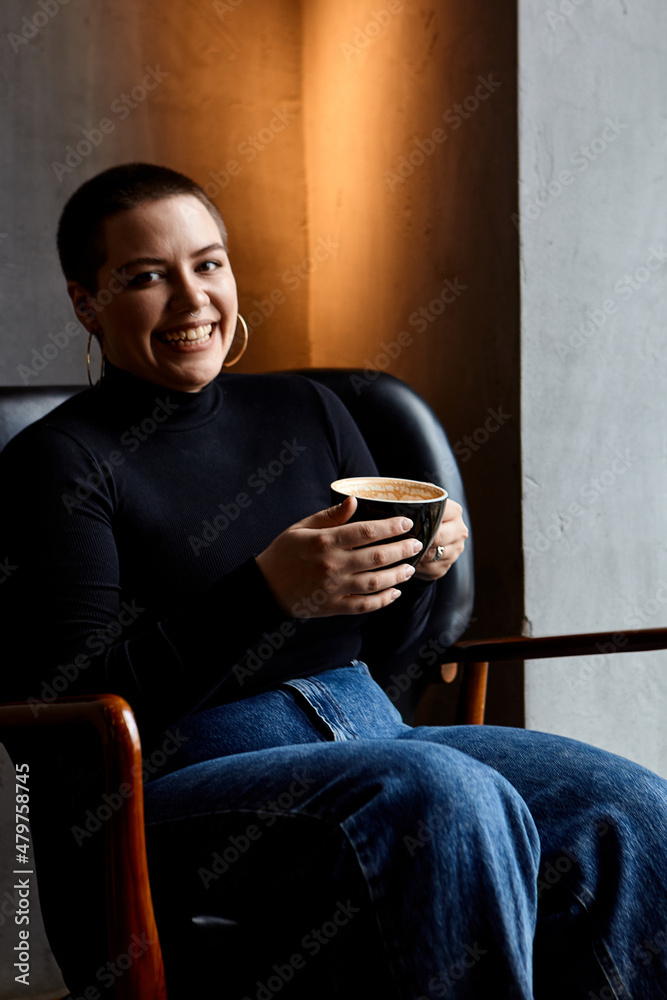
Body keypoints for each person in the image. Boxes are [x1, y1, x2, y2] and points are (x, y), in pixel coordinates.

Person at [1, 162, 666, 1000]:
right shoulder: (56, 464)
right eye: (144, 277)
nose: (191, 300)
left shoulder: (308, 412)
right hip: (173, 790)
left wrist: (418, 568)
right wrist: (264, 595)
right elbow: (59, 714)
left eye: (208, 264)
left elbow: (388, 636)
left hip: (371, 734)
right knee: (443, 796)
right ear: (86, 303)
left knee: (625, 806)